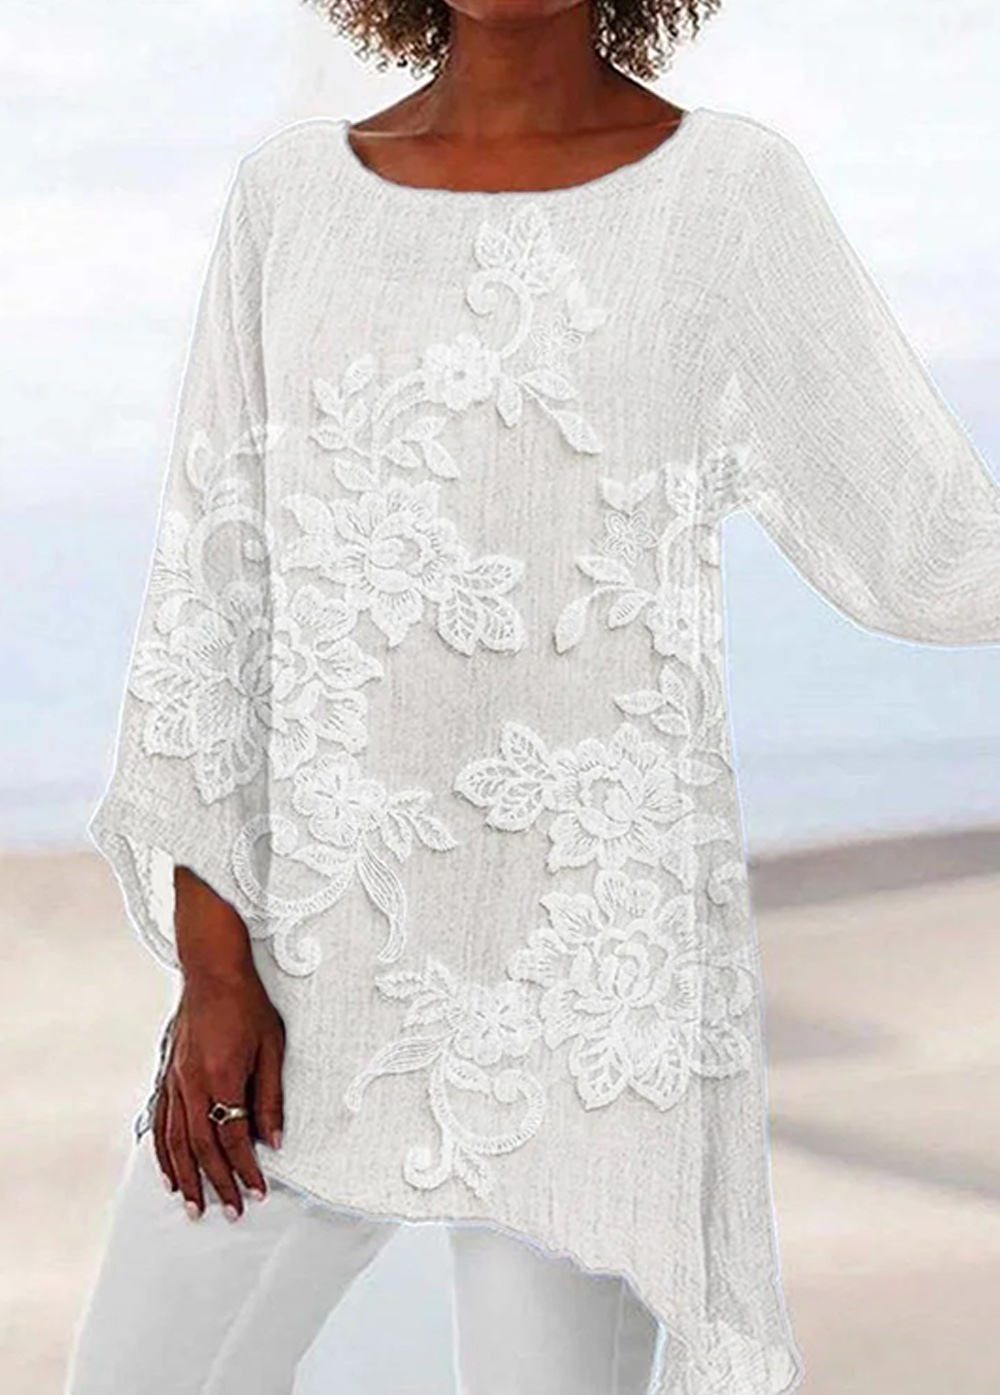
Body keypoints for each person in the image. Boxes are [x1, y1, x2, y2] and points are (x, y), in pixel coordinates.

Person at [67, 1, 1000, 1393]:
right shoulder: (289, 203)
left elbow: (924, 536)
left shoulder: (728, 196)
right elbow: (218, 596)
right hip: (310, 963)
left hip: (595, 988)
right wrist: (213, 969)